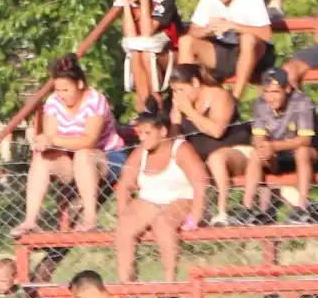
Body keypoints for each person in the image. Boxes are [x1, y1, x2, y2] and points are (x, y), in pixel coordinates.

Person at [10, 54, 128, 238]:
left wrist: (53, 140)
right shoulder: (53, 103)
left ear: (80, 84)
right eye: (58, 90)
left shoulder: (95, 100)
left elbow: (89, 141)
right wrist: (43, 143)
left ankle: (90, 219)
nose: (61, 95)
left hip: (106, 157)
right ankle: (30, 220)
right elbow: (51, 138)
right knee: (42, 159)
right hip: (72, 160)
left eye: (66, 90)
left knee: (83, 154)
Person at [115, 97, 209, 286]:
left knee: (164, 224)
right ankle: (127, 284)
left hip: (181, 199)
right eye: (140, 133)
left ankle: (169, 282)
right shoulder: (139, 153)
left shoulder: (181, 149)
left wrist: (195, 217)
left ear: (163, 131)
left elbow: (201, 183)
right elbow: (125, 185)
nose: (142, 138)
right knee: (124, 226)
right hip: (150, 201)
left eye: (147, 133)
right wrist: (124, 210)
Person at [169, 63, 255, 226]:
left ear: (195, 83)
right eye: (174, 91)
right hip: (202, 157)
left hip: (236, 152)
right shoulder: (181, 104)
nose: (177, 95)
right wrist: (177, 113)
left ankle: (222, 213)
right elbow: (176, 137)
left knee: (216, 159)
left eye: (180, 90)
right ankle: (190, 213)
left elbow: (217, 131)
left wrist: (190, 112)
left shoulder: (220, 96)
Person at [238, 66, 315, 225]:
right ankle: (247, 208)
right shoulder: (260, 104)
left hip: (307, 155)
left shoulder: (302, 102)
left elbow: (305, 140)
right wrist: (263, 147)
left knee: (302, 151)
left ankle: (302, 207)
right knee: (255, 153)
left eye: (275, 92)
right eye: (266, 91)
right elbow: (258, 137)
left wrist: (273, 146)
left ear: (287, 89)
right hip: (277, 156)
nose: (270, 97)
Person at [179, 0, 275, 102]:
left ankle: (234, 100)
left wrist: (233, 26)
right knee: (185, 42)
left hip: (256, 53)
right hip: (224, 50)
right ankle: (184, 98)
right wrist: (207, 30)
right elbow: (193, 31)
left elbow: (266, 34)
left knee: (247, 39)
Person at [120, 0, 183, 108]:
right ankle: (147, 107)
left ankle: (155, 101)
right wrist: (126, 3)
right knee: (135, 53)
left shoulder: (163, 0)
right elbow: (129, 36)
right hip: (146, 52)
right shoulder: (133, 1)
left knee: (146, 55)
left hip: (173, 53)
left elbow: (147, 31)